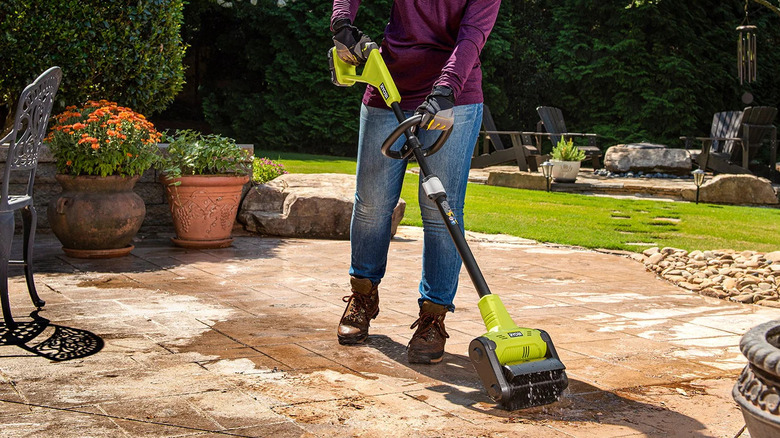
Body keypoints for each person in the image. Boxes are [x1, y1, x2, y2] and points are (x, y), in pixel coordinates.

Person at [332, 0, 501, 364]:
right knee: (372, 203)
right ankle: (363, 295)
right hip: (388, 84)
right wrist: (342, 23)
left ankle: (433, 317)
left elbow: (472, 35)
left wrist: (446, 89)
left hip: (453, 99)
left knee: (441, 212)